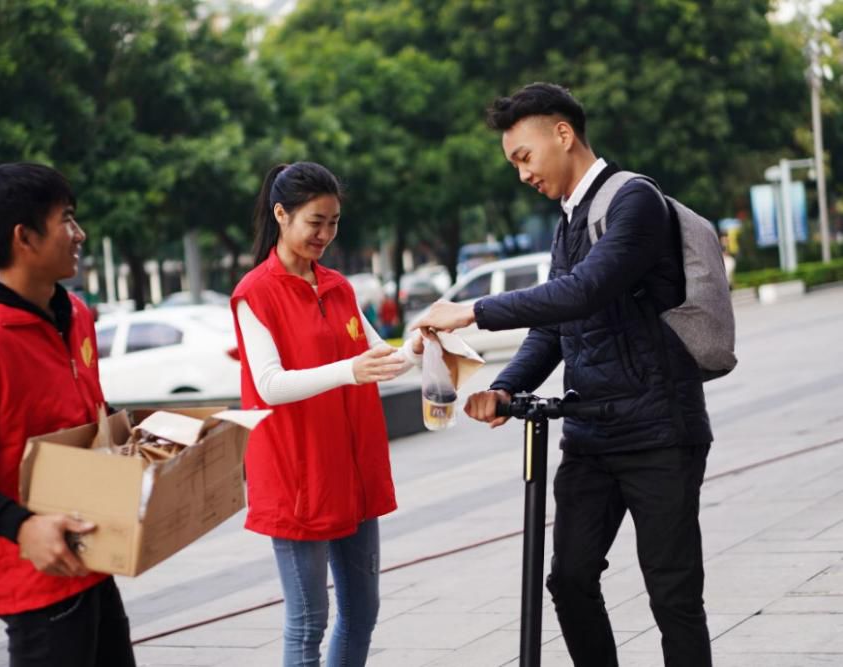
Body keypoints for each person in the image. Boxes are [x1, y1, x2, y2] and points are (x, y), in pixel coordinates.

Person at [412, 83, 714, 667]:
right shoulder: (567, 225)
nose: (522, 174)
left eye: (523, 157)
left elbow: (584, 291)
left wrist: (472, 310)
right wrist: (505, 388)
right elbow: (554, 329)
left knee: (673, 596)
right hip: (592, 434)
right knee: (570, 580)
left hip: (659, 433)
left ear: (563, 133)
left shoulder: (634, 201)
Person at [0, 163, 136, 667]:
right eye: (67, 219)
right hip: (38, 580)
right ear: (25, 237)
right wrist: (21, 526)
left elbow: (86, 409)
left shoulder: (76, 314)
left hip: (94, 556)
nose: (79, 234)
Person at [231, 162, 422, 666]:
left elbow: (382, 358)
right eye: (316, 221)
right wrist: (348, 372)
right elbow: (269, 385)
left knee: (362, 612)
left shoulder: (338, 286)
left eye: (334, 222)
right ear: (281, 214)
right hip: (297, 476)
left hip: (351, 469)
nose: (326, 234)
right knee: (308, 620)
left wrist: (424, 345)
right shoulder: (255, 293)